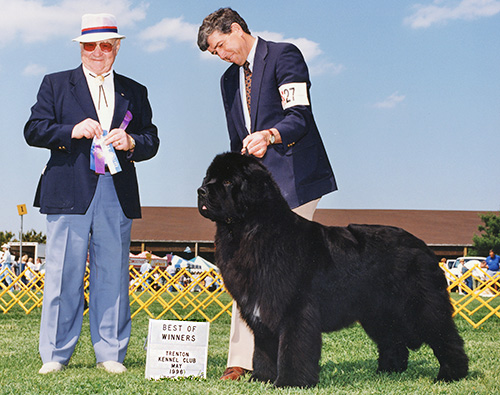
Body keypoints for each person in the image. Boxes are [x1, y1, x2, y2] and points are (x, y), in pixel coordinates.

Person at [197, 8, 337, 380]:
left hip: (294, 180)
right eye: (215, 53)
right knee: (243, 268)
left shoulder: (284, 55)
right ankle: (241, 361)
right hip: (253, 194)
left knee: (283, 277)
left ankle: (286, 362)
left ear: (237, 29)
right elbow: (234, 140)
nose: (221, 55)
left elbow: (299, 116)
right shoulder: (228, 81)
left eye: (222, 45)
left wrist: (270, 135)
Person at [24, 13, 159, 374]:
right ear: (80, 48)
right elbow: (34, 130)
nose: (98, 51)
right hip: (68, 192)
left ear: (117, 47)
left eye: (105, 45)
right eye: (89, 45)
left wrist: (132, 141)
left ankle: (111, 354)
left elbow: (151, 140)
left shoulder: (136, 90)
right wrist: (72, 130)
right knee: (62, 275)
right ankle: (54, 355)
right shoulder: (54, 84)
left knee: (113, 275)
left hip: (116, 191)